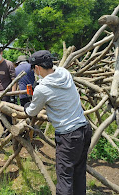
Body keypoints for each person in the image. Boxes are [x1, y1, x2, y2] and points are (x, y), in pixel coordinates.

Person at [24, 50, 92, 195]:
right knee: (79, 173)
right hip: (84, 128)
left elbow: (31, 112)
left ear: (37, 68)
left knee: (64, 178)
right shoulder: (64, 73)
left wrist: (26, 106)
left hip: (69, 136)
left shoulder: (42, 89)